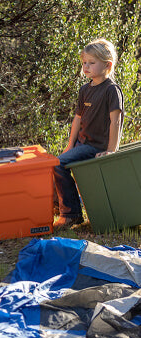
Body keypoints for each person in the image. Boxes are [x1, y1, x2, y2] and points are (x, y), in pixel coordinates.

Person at [53, 38, 124, 229]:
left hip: (96, 146)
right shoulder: (85, 90)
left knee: (58, 165)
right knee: (53, 164)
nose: (86, 67)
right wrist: (70, 145)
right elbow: (77, 120)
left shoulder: (111, 90)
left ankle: (71, 214)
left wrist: (111, 150)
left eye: (91, 63)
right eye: (84, 63)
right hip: (81, 144)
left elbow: (116, 121)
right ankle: (60, 206)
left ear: (107, 65)